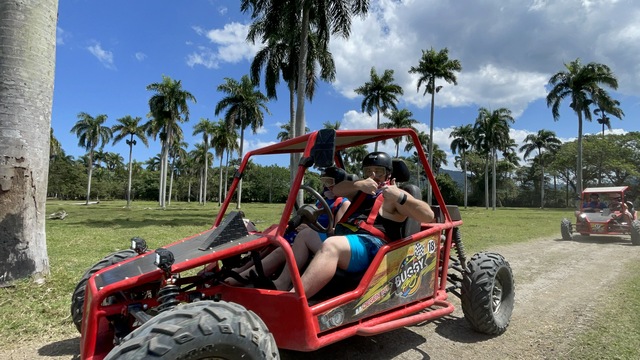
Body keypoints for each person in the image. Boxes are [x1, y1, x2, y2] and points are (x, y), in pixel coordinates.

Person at [291, 151, 435, 298]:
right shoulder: (360, 190)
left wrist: (401, 197)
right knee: (304, 235)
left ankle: (295, 299)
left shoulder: (394, 197)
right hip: (349, 240)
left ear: (388, 174)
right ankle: (282, 285)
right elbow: (337, 189)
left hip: (375, 248)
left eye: (379, 172)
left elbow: (428, 215)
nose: (373, 175)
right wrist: (359, 184)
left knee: (332, 244)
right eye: (367, 171)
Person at [229, 167, 351, 288]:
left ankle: (239, 279)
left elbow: (336, 233)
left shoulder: (343, 203)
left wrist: (310, 229)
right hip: (309, 235)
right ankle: (239, 270)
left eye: (329, 182)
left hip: (322, 240)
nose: (326, 185)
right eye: (323, 181)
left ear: (339, 182)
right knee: (271, 243)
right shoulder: (322, 201)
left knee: (282, 250)